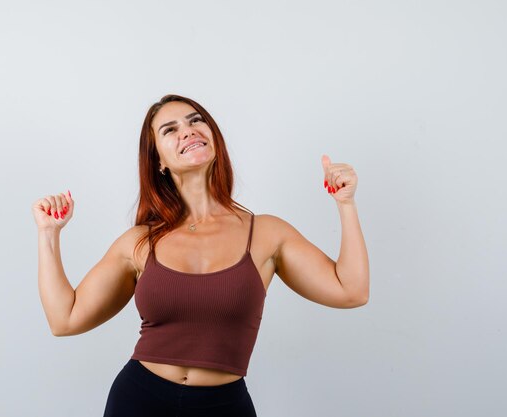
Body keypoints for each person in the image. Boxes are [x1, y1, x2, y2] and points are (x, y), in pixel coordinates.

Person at [32, 94, 369, 416]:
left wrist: (346, 204)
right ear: (158, 161)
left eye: (196, 121)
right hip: (139, 400)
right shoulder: (139, 243)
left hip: (223, 407)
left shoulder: (267, 233)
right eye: (170, 130)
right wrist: (49, 234)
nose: (188, 131)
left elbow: (350, 291)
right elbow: (65, 320)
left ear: (213, 137)